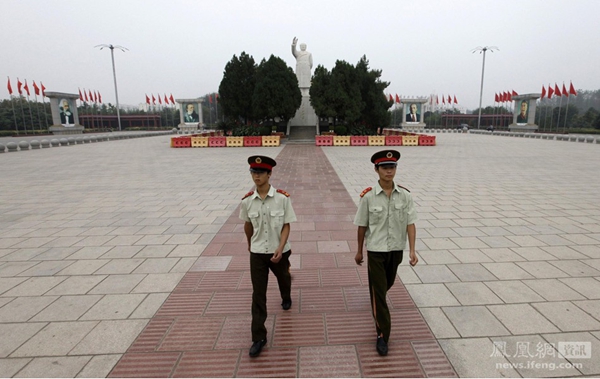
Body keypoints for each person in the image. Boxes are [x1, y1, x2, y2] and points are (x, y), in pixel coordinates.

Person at [353, 150, 418, 356]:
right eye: (384, 167)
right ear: (376, 169)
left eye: (392, 167)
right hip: (376, 250)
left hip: (396, 249)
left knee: (387, 283)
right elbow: (362, 226)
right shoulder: (368, 197)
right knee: (380, 293)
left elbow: (410, 223)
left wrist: (413, 250)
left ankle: (376, 294)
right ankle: (382, 334)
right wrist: (359, 251)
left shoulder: (405, 195)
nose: (389, 171)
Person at [239, 155, 297, 358]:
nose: (257, 176)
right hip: (257, 253)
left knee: (284, 278)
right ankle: (258, 337)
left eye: (261, 172)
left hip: (279, 250)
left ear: (269, 174)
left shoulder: (282, 198)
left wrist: (280, 248)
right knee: (258, 294)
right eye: (253, 172)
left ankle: (286, 296)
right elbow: (247, 225)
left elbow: (286, 225)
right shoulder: (247, 201)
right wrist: (249, 244)